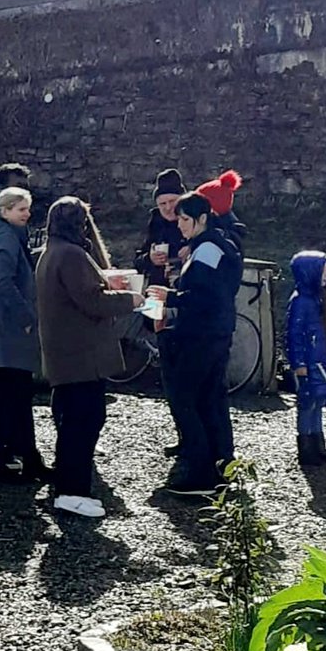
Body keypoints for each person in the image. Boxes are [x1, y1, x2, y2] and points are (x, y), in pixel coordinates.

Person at [37, 197, 143, 518]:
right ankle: (73, 492)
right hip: (81, 355)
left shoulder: (50, 253)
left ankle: (68, 489)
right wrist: (130, 298)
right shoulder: (71, 254)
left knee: (72, 423)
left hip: (65, 353)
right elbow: (92, 301)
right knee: (84, 423)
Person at [148, 191, 242, 496]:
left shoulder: (208, 249)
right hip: (214, 332)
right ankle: (220, 464)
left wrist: (170, 295)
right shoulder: (211, 245)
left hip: (202, 335)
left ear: (202, 219)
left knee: (188, 399)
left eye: (185, 219)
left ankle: (201, 472)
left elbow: (206, 295)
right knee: (211, 399)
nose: (179, 225)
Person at [0, 186, 46, 483]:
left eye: (27, 208)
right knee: (9, 397)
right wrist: (26, 317)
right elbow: (4, 284)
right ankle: (2, 462)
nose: (26, 214)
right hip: (7, 329)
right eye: (20, 209)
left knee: (6, 398)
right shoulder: (6, 239)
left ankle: (19, 459)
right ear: (4, 212)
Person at [133, 168, 189, 459]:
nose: (168, 208)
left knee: (184, 367)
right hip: (155, 294)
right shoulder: (155, 222)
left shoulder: (191, 221)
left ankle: (190, 434)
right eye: (163, 203)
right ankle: (181, 432)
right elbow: (137, 258)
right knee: (166, 362)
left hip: (180, 298)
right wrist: (148, 258)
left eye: (172, 202)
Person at [287, 251, 326, 467]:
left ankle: (318, 444)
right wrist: (299, 364)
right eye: (323, 272)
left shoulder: (319, 299)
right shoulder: (301, 302)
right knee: (307, 404)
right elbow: (294, 335)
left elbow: (321, 330)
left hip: (322, 360)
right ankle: (306, 448)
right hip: (309, 362)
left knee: (318, 402)